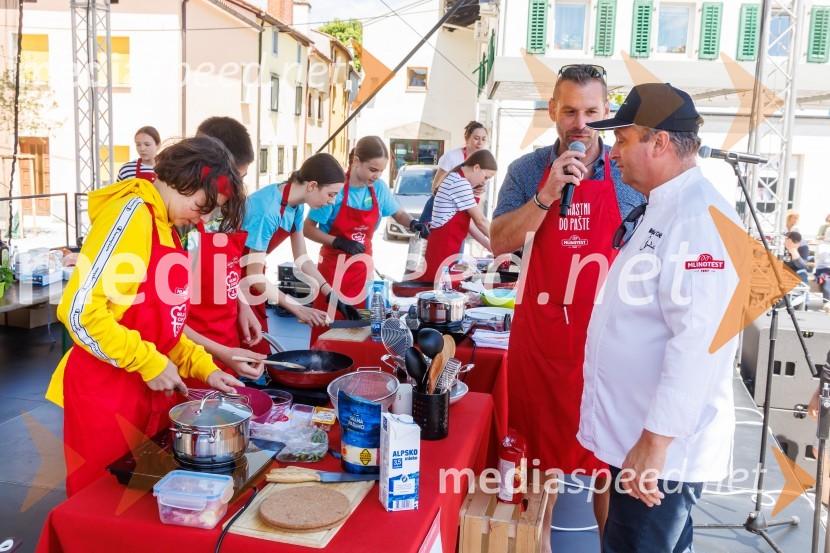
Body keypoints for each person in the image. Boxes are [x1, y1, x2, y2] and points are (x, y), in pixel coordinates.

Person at [577, 83, 741, 552]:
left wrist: (655, 442)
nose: (614, 152)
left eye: (623, 140)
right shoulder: (665, 206)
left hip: (660, 456)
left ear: (660, 142)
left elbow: (700, 341)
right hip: (640, 441)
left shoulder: (698, 218)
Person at [490, 64, 644, 541]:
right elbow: (498, 242)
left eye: (592, 111)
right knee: (539, 463)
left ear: (607, 112)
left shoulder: (629, 170)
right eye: (570, 110)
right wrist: (545, 195)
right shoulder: (524, 170)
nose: (581, 122)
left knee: (606, 469)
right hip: (541, 338)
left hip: (608, 340)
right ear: (553, 110)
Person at [47, 136, 246, 496]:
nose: (203, 217)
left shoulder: (167, 228)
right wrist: (149, 363)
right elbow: (79, 312)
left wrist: (206, 367)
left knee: (140, 504)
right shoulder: (132, 215)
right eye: (204, 205)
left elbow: (162, 327)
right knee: (101, 504)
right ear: (184, 179)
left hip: (146, 391)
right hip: (106, 394)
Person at [304, 136, 429, 345]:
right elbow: (308, 229)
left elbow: (398, 213)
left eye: (381, 171)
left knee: (360, 329)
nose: (377, 175)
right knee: (328, 326)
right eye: (373, 169)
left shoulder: (378, 188)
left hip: (361, 271)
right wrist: (338, 242)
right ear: (356, 162)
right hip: (332, 272)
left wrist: (413, 223)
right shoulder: (336, 189)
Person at [179, 117, 265, 380]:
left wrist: (243, 306)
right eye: (233, 178)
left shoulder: (229, 208)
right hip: (190, 352)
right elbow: (166, 315)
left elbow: (228, 270)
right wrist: (220, 353)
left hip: (228, 341)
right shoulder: (183, 217)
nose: (238, 188)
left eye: (242, 178)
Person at [241, 153, 348, 355]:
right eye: (331, 194)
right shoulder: (268, 210)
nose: (332, 202)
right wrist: (298, 308)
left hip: (254, 278)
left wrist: (332, 296)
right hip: (234, 279)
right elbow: (253, 274)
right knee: (248, 350)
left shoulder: (295, 205)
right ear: (312, 186)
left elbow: (302, 259)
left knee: (257, 349)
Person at [422, 149, 496, 282]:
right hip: (442, 252)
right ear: (476, 167)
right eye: (486, 177)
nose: (483, 183)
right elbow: (481, 221)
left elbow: (470, 226)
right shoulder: (460, 183)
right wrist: (502, 243)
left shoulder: (457, 179)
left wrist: (491, 247)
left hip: (445, 252)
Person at [421, 121, 489, 224]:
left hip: (460, 210)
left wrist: (481, 189)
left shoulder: (482, 162)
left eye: (483, 139)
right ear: (466, 138)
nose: (480, 143)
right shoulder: (451, 157)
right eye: (476, 138)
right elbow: (435, 187)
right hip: (439, 210)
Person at [814, 229, 830, 303]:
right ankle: (827, 303)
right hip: (823, 270)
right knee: (827, 283)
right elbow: (826, 260)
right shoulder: (822, 245)